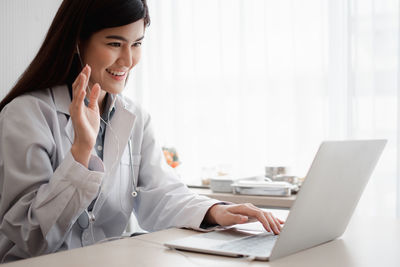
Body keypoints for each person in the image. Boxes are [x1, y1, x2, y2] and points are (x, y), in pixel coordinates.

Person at [0, 0, 284, 262]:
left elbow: (159, 193)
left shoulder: (134, 117)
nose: (128, 60)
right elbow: (29, 235)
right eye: (114, 43)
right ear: (78, 41)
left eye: (136, 43)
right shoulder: (26, 114)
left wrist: (215, 211)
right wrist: (81, 153)